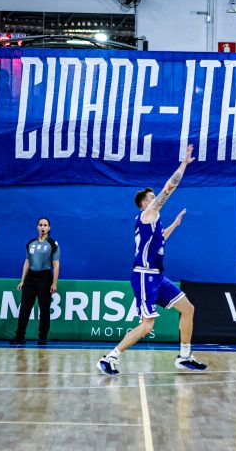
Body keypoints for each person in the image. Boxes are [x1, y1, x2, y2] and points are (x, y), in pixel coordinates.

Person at [97, 145, 207, 376]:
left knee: (188, 309)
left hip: (158, 276)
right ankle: (109, 358)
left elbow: (160, 239)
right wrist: (184, 164)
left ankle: (184, 356)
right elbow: (169, 187)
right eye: (152, 197)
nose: (156, 198)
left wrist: (174, 225)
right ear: (144, 204)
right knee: (147, 326)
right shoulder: (147, 214)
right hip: (144, 275)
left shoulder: (152, 222)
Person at [10, 217, 60, 346]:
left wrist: (54, 283)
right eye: (40, 225)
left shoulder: (53, 244)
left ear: (49, 228)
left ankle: (42, 337)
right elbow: (27, 262)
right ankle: (20, 336)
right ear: (37, 227)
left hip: (45, 277)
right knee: (24, 308)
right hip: (30, 278)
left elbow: (56, 265)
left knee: (44, 308)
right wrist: (22, 281)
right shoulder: (30, 243)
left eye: (45, 225)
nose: (43, 227)